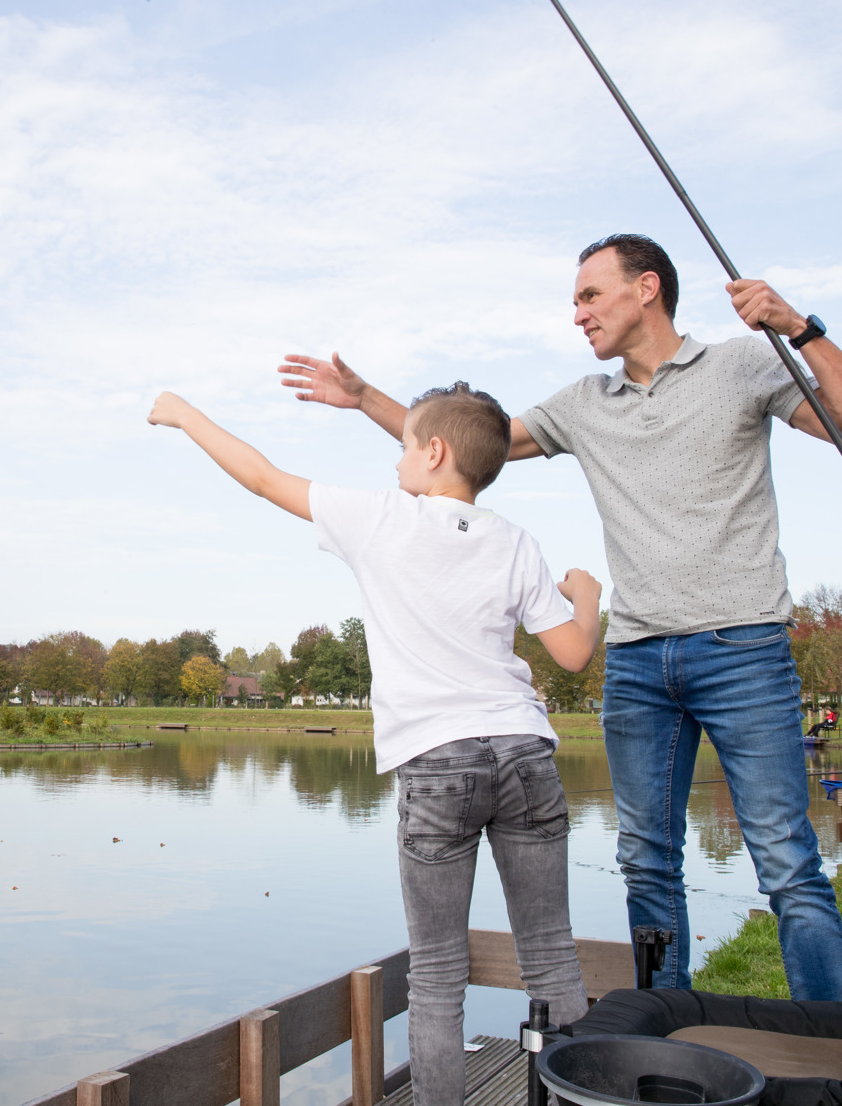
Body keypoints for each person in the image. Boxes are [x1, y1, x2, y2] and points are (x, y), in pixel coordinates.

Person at [278, 233, 842, 1001]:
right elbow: (466, 450)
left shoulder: (745, 365)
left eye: (588, 295)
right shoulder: (585, 403)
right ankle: (664, 1039)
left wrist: (801, 331)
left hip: (741, 645)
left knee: (785, 859)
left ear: (647, 288)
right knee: (647, 860)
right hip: (639, 659)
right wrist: (365, 399)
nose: (577, 313)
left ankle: (822, 1054)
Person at [149, 382, 600, 1103]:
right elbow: (574, 653)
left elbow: (264, 478)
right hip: (524, 752)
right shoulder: (515, 541)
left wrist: (185, 414)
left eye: (401, 446)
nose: (395, 463)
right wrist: (587, 597)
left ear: (434, 452)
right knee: (550, 958)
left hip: (439, 764)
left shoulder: (382, 518)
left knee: (436, 973)